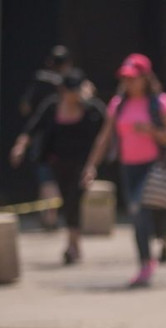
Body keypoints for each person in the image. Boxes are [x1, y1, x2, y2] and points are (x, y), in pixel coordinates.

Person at [82, 53, 166, 287]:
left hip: (155, 166)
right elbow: (104, 138)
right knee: (138, 214)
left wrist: (151, 130)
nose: (129, 82)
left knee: (141, 208)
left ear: (146, 78)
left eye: (134, 78)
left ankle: (158, 244)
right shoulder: (118, 104)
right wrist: (91, 166)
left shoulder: (160, 102)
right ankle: (146, 262)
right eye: (126, 78)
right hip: (128, 167)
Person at [10, 68, 105, 264]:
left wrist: (93, 164)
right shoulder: (52, 107)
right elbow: (33, 127)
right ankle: (72, 241)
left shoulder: (91, 109)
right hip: (56, 162)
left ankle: (72, 244)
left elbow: (106, 131)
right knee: (64, 199)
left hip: (83, 164)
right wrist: (20, 146)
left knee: (73, 199)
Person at [19, 45, 74, 231]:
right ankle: (53, 217)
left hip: (44, 137)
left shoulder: (40, 80)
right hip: (62, 138)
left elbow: (25, 107)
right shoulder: (71, 82)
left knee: (47, 179)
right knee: (55, 178)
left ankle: (49, 217)